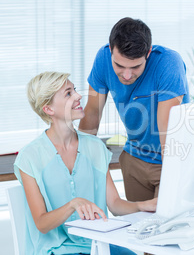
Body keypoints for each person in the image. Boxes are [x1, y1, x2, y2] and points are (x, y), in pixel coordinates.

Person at [15, 72, 157, 255]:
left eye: (74, 89)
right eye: (68, 93)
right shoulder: (29, 157)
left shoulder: (95, 147)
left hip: (98, 244)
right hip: (56, 249)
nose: (78, 95)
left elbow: (114, 203)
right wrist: (72, 204)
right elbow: (42, 224)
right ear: (49, 109)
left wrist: (141, 206)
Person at [78, 17, 189, 202]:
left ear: (148, 53)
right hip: (134, 158)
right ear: (111, 49)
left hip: (169, 160)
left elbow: (167, 130)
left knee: (169, 225)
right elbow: (92, 113)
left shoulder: (169, 63)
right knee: (138, 227)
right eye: (119, 66)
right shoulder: (103, 58)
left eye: (136, 66)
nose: (127, 75)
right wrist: (79, 161)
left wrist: (177, 178)